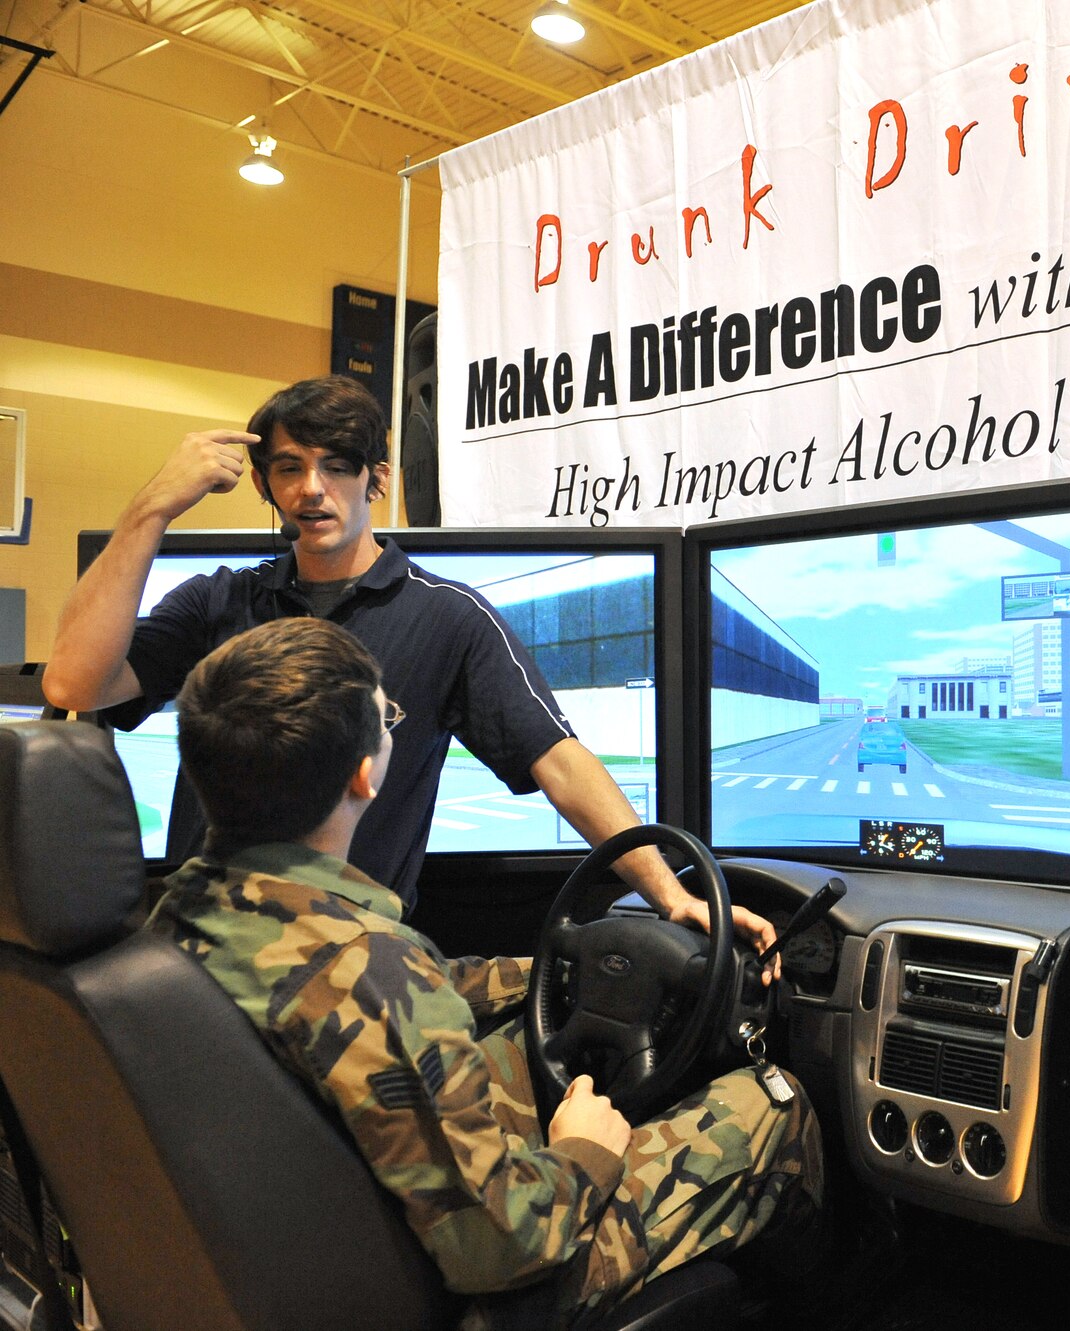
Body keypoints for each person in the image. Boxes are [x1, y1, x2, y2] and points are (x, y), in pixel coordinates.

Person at [146, 617, 822, 1324]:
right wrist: (582, 1151)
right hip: (472, 1288)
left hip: (292, 1254)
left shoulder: (185, 911)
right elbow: (503, 1244)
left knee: (515, 1053)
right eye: (388, 719)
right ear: (363, 773)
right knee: (769, 1106)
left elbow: (424, 982)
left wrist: (584, 959)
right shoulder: (375, 975)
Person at [41, 374, 774, 959]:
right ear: (263, 484)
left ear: (377, 478)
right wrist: (151, 510)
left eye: (336, 466)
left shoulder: (447, 617)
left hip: (355, 959)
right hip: (212, 946)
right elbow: (73, 682)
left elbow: (559, 760)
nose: (311, 489)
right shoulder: (218, 603)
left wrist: (666, 892)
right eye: (288, 469)